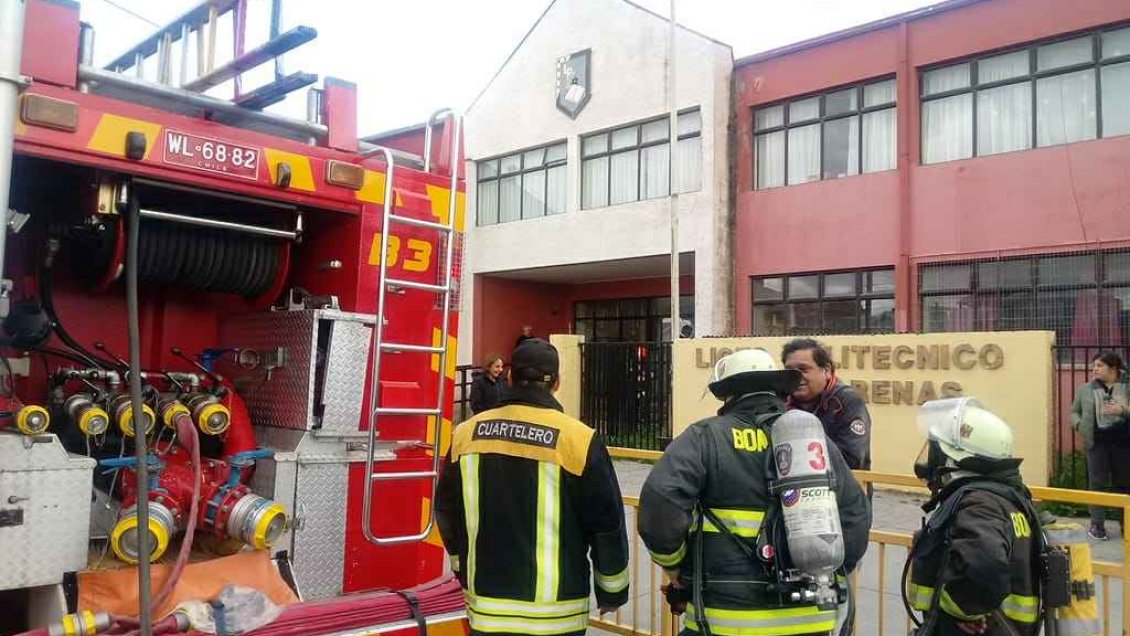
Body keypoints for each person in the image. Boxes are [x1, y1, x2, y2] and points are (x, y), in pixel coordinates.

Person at [637, 348, 871, 636]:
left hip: (728, 619)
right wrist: (826, 567)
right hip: (811, 617)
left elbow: (660, 506)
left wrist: (677, 570)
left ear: (729, 395)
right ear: (777, 390)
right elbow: (856, 514)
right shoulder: (813, 441)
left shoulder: (705, 436)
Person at [435, 338, 629, 636]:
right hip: (556, 615)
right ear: (557, 383)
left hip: (487, 610)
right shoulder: (578, 439)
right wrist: (612, 593)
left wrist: (462, 569)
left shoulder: (465, 435)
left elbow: (447, 512)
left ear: (510, 378)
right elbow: (607, 525)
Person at [906, 397, 1042, 635]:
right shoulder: (1005, 498)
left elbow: (984, 563)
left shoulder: (981, 503)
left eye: (939, 452)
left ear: (956, 459)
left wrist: (962, 611)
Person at [783, 338, 873, 470]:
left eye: (803, 369)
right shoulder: (781, 401)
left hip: (843, 487)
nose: (795, 376)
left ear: (827, 371)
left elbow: (852, 459)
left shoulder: (847, 401)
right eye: (789, 371)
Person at [1071, 351, 1130, 540]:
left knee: (1124, 485)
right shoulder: (1085, 389)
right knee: (1097, 484)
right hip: (1097, 443)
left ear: (1113, 369)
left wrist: (1122, 409)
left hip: (1123, 443)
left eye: (1099, 365)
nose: (1095, 369)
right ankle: (1097, 525)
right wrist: (1079, 424)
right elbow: (1074, 412)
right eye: (1094, 365)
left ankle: (1125, 523)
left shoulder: (1127, 387)